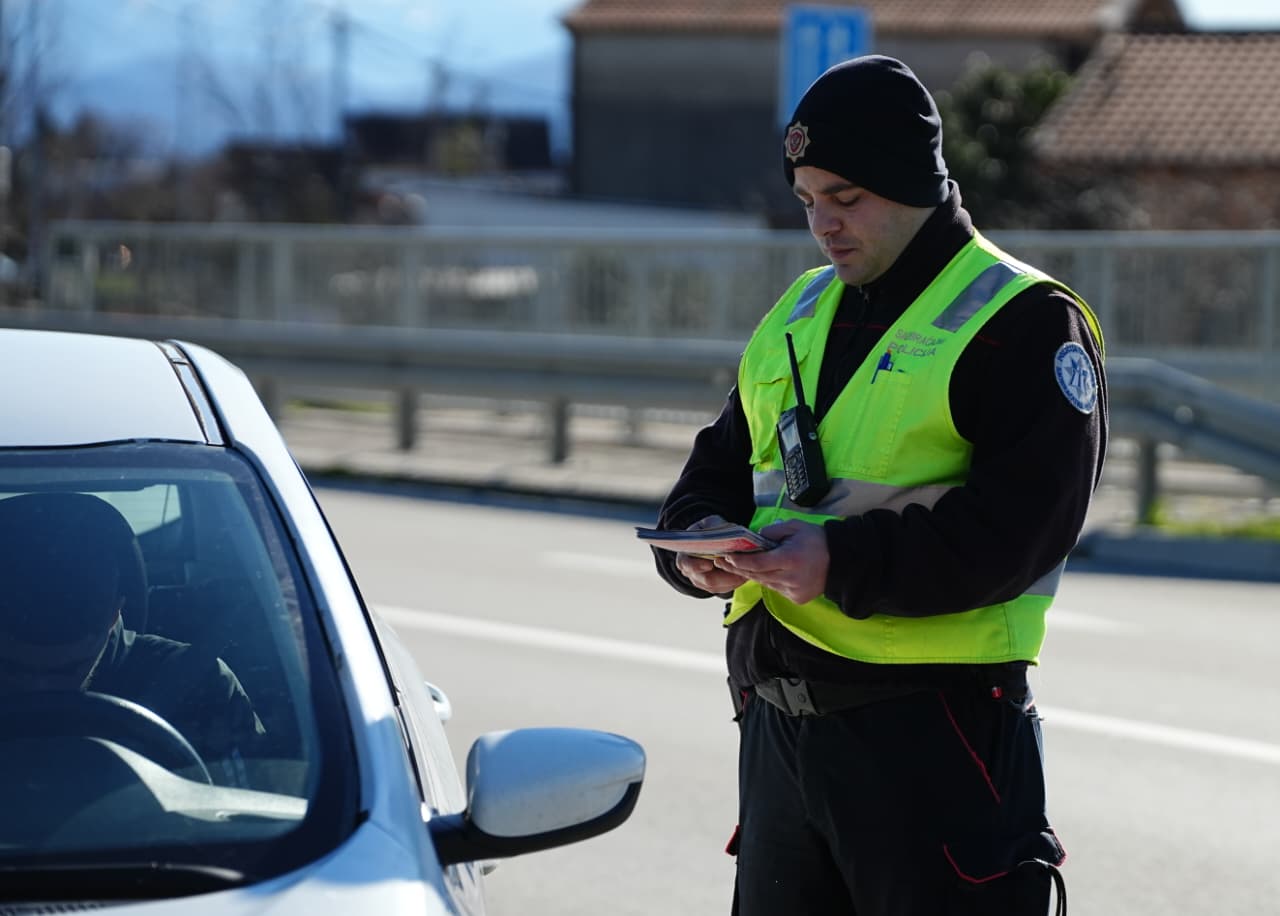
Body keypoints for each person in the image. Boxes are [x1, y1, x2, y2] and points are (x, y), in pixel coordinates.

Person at [650, 55, 1106, 916]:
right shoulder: (801, 308)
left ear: (914, 184)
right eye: (807, 199)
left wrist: (840, 560)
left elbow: (1022, 531)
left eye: (846, 197)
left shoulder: (1025, 320)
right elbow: (712, 473)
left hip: (935, 739)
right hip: (780, 734)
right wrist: (696, 552)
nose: (823, 223)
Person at [0, 491, 265, 788]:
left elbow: (263, 810)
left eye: (66, 670)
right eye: (12, 669)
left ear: (113, 615)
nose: (41, 692)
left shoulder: (201, 690)